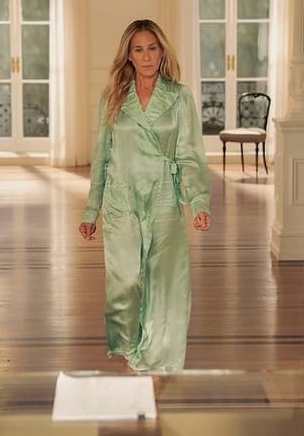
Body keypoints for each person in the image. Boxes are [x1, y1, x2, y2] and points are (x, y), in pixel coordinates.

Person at [79, 18, 212, 373]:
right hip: (121, 200)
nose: (147, 56)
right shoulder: (113, 97)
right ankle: (128, 351)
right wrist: (91, 210)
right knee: (124, 281)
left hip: (164, 198)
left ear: (162, 51)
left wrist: (198, 201)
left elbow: (190, 153)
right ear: (129, 56)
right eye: (138, 50)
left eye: (152, 48)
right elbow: (102, 155)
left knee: (164, 282)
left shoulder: (179, 96)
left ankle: (157, 361)